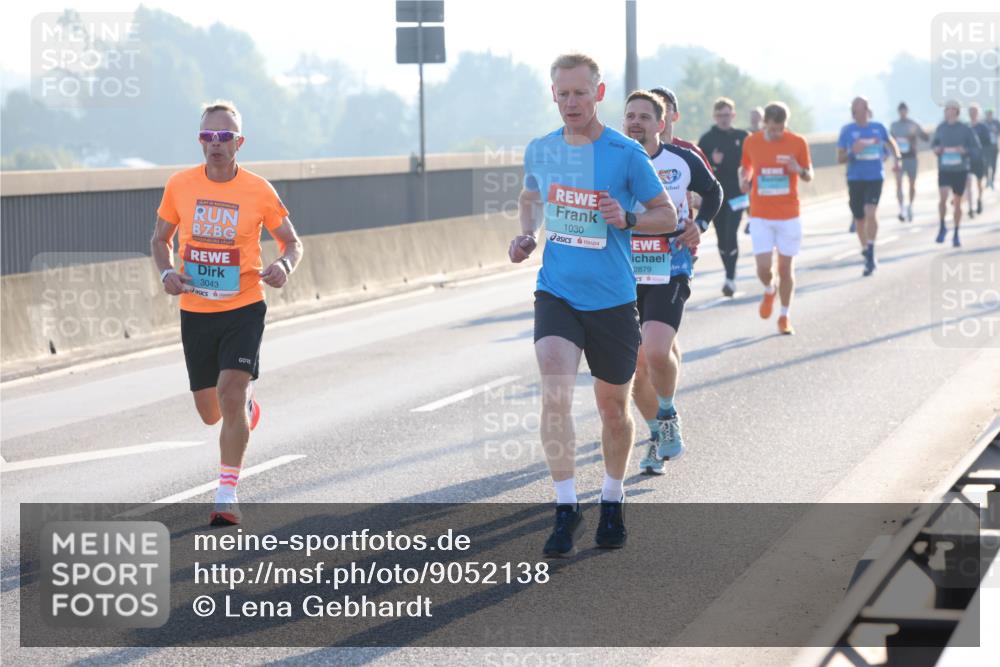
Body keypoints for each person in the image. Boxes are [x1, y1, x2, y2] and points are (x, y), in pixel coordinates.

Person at [510, 53, 677, 557]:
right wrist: (524, 235)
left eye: (580, 93)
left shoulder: (626, 153)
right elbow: (529, 197)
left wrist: (624, 217)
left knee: (612, 407)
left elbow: (665, 215)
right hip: (557, 291)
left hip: (612, 299)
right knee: (554, 391)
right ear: (554, 95)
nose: (570, 102)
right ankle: (565, 507)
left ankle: (610, 496)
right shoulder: (541, 149)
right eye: (562, 93)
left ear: (598, 94)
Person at [151, 100, 304, 526]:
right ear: (200, 141)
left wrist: (284, 265)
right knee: (210, 411)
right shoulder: (180, 185)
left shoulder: (258, 190)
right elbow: (160, 239)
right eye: (207, 136)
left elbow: (292, 241)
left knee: (231, 393)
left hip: (244, 306)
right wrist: (166, 271)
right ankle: (247, 409)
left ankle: (226, 492)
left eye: (223, 137)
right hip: (196, 309)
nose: (214, 145)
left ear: (239, 143)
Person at [622, 90, 722, 475]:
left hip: (670, 263)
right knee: (634, 368)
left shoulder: (681, 158)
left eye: (644, 117)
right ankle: (655, 435)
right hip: (624, 269)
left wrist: (702, 224)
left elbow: (714, 192)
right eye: (630, 116)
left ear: (660, 125)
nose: (636, 122)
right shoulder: (613, 158)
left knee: (656, 353)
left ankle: (667, 413)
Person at [739, 102, 813, 335]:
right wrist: (744, 178)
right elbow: (746, 167)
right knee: (763, 268)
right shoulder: (752, 141)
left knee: (785, 268)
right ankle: (769, 290)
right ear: (764, 124)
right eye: (772, 129)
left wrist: (797, 169)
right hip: (760, 213)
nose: (777, 133)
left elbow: (809, 175)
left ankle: (784, 315)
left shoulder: (798, 142)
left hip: (789, 214)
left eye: (781, 129)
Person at [837, 97, 901, 276]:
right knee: (859, 219)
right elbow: (839, 158)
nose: (864, 111)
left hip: (875, 177)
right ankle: (865, 248)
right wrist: (852, 152)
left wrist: (898, 159)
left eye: (866, 107)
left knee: (871, 212)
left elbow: (891, 143)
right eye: (859, 108)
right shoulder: (847, 131)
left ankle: (871, 250)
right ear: (853, 112)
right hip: (855, 178)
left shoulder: (878, 128)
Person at [699, 97, 750, 296]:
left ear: (733, 115)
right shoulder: (707, 139)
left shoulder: (743, 136)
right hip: (715, 197)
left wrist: (749, 183)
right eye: (720, 115)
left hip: (738, 196)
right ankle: (729, 270)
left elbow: (751, 164)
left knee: (731, 233)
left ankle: (730, 277)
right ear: (714, 116)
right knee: (721, 239)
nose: (723, 119)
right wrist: (714, 163)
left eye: (727, 115)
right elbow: (700, 170)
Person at [932, 100, 980, 247]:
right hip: (945, 169)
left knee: (957, 203)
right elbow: (933, 144)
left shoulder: (965, 129)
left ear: (957, 112)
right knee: (943, 197)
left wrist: (964, 151)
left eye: (953, 110)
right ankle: (942, 226)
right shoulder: (941, 128)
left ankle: (956, 232)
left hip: (960, 170)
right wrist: (937, 149)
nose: (950, 112)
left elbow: (976, 148)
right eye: (947, 109)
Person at [890, 102, 930, 222]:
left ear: (907, 111)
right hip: (899, 158)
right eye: (900, 111)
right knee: (898, 183)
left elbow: (926, 137)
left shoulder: (913, 123)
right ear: (898, 112)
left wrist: (914, 135)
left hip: (911, 157)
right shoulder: (894, 125)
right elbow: (889, 140)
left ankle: (910, 206)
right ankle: (901, 208)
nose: (903, 113)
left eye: (904, 110)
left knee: (912, 183)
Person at [967, 104, 991, 216]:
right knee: (968, 182)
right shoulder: (966, 127)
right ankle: (970, 207)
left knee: (979, 182)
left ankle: (979, 199)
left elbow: (988, 142)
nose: (972, 114)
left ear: (978, 113)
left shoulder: (983, 127)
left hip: (980, 158)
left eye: (974, 111)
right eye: (971, 111)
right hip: (968, 159)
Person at [985, 109, 1000, 189]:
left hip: (994, 147)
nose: (989, 115)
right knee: (986, 165)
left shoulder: (996, 122)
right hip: (986, 148)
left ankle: (992, 181)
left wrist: (996, 130)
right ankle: (987, 180)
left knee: (993, 165)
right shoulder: (983, 123)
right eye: (988, 113)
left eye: (990, 113)